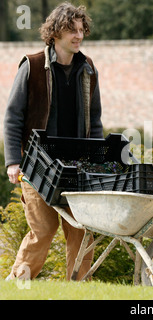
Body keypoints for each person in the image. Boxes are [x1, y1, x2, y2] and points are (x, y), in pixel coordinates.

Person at [3, 2, 103, 280]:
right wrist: (13, 161)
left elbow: (95, 120)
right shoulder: (32, 66)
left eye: (81, 30)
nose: (78, 36)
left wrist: (98, 160)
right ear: (55, 32)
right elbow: (12, 117)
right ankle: (18, 286)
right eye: (72, 30)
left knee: (81, 229)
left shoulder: (88, 68)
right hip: (37, 168)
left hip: (77, 167)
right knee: (43, 230)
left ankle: (79, 289)